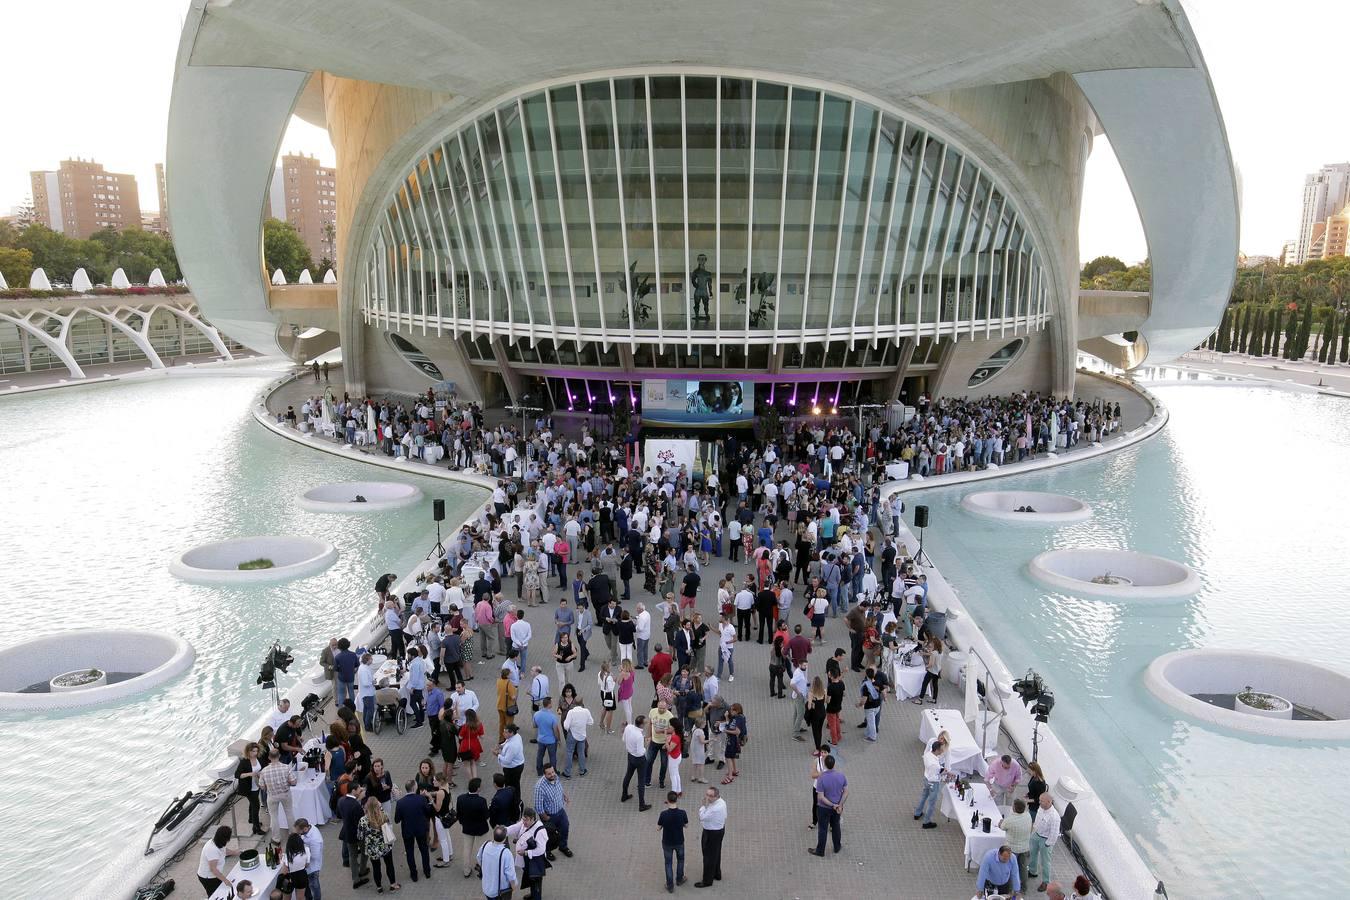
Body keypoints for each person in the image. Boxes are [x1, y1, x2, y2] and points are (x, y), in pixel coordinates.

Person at [357, 796, 400, 893]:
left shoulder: (363, 820)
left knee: (376, 868)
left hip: (372, 848)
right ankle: (393, 885)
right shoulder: (383, 815)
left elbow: (360, 836)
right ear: (378, 805)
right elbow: (389, 826)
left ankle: (379, 887)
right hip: (385, 845)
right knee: (389, 865)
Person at [394, 778, 434, 882]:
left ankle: (414, 875)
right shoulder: (421, 799)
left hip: (408, 831)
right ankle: (427, 871)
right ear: (414, 787)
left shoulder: (400, 803)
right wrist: (430, 802)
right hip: (421, 829)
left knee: (410, 852)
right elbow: (428, 812)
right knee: (424, 850)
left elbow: (397, 820)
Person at [808, 753, 846, 857]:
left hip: (823, 808)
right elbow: (846, 792)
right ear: (834, 764)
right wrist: (839, 805)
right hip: (837, 808)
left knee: (823, 829)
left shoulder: (821, 779)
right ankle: (837, 847)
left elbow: (820, 797)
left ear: (825, 765)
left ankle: (820, 851)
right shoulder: (841, 776)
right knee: (836, 826)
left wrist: (832, 805)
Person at [532, 763, 572, 858]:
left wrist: (564, 795)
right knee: (549, 835)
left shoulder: (555, 777)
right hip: (550, 816)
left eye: (553, 772)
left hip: (560, 811)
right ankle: (547, 851)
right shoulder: (539, 787)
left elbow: (559, 787)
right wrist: (546, 817)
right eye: (549, 774)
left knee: (565, 828)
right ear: (544, 775)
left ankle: (563, 847)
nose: (552, 774)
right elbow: (538, 806)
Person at [455, 776, 492, 878]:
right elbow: (486, 816)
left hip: (467, 828)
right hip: (481, 829)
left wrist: (462, 822)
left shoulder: (460, 798)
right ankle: (481, 867)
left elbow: (459, 814)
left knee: (467, 849)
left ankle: (466, 870)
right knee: (482, 849)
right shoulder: (481, 801)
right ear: (478, 788)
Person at [511, 807, 551, 900]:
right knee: (531, 879)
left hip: (537, 862)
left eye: (526, 820)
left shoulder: (540, 831)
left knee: (536, 882)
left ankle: (536, 897)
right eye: (523, 819)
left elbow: (540, 850)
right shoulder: (526, 824)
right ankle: (533, 895)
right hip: (529, 860)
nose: (524, 822)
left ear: (533, 819)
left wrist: (525, 852)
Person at [337, 783, 371, 888]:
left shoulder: (341, 800)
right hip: (357, 835)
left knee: (352, 856)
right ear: (353, 791)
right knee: (365, 852)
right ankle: (362, 870)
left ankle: (355, 879)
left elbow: (339, 815)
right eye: (359, 789)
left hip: (347, 833)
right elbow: (361, 823)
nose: (361, 790)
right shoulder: (355, 805)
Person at [259, 748, 297, 843]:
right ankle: (293, 834)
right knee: (289, 813)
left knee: (274, 817)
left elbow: (262, 787)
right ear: (279, 756)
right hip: (285, 794)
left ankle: (276, 838)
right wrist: (287, 782)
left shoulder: (264, 771)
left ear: (269, 757)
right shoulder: (286, 767)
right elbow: (293, 782)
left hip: (272, 796)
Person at [694, 786, 727, 888]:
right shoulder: (722, 802)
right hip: (719, 829)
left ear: (716, 796)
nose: (708, 798)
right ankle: (717, 873)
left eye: (711, 796)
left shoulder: (714, 808)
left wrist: (703, 806)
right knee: (716, 853)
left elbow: (702, 817)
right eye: (707, 794)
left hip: (711, 833)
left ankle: (707, 880)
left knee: (708, 857)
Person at [1028, 793, 1061, 892]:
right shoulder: (1041, 808)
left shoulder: (1055, 817)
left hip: (1045, 839)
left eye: (1041, 801)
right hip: (1036, 834)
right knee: (1032, 854)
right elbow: (1037, 820)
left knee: (1045, 862)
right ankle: (1033, 871)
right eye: (1040, 800)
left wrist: (1047, 844)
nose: (1039, 802)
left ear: (1049, 802)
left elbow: (1054, 833)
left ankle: (1046, 882)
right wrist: (1033, 832)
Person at [657, 790, 689, 893]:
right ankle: (679, 879)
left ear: (667, 800)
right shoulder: (682, 813)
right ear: (677, 800)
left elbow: (658, 828)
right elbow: (686, 825)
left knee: (668, 863)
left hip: (667, 842)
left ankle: (670, 885)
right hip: (679, 841)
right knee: (680, 860)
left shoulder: (663, 814)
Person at [477, 825, 519, 900]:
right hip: (499, 892)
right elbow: (511, 875)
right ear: (505, 838)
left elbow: (479, 858)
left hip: (486, 888)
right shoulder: (506, 853)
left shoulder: (485, 845)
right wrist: (514, 886)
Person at [1001, 798, 1034, 890]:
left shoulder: (1010, 819)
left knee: (1010, 869)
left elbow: (1002, 826)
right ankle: (1023, 887)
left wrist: (1000, 822)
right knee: (1023, 869)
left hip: (1012, 849)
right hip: (1024, 848)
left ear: (1014, 808)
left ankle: (1010, 889)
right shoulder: (1028, 816)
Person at [496, 725, 526, 825]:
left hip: (512, 769)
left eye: (505, 732)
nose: (503, 733)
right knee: (515, 785)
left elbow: (507, 761)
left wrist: (498, 755)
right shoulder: (516, 737)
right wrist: (502, 746)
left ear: (511, 733)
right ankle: (516, 800)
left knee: (511, 786)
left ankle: (514, 804)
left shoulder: (513, 745)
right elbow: (506, 742)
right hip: (518, 765)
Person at [234, 742, 265, 836]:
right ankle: (256, 828)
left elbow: (263, 767)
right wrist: (250, 774)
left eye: (256, 751)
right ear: (248, 752)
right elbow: (237, 775)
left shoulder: (259, 758)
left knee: (253, 803)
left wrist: (260, 773)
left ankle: (251, 819)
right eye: (253, 751)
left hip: (257, 784)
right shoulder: (244, 761)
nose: (255, 753)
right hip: (248, 788)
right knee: (256, 806)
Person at [913, 739, 946, 828]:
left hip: (926, 779)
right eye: (941, 749)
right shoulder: (934, 764)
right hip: (933, 783)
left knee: (923, 797)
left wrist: (941, 770)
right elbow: (934, 776)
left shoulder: (927, 755)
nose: (942, 750)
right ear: (937, 750)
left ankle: (917, 813)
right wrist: (943, 772)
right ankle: (926, 822)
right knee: (932, 803)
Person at [196, 826, 237, 897]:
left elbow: (224, 850)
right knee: (215, 896)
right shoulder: (212, 849)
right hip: (208, 878)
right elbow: (213, 869)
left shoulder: (218, 842)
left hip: (214, 876)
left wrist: (235, 852)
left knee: (220, 892)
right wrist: (225, 880)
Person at [622, 714, 651, 811]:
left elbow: (623, 739)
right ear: (642, 725)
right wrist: (646, 745)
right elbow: (640, 752)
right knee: (641, 781)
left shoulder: (629, 727)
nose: (647, 724)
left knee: (628, 775)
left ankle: (624, 795)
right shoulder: (639, 736)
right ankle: (641, 805)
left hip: (630, 756)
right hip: (639, 759)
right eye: (646, 723)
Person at [561, 696, 593, 777]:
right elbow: (591, 722)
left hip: (572, 735)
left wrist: (570, 727)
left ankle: (567, 772)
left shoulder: (571, 712)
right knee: (581, 752)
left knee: (569, 752)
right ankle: (582, 771)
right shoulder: (586, 711)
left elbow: (566, 726)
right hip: (582, 735)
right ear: (582, 702)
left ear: (574, 702)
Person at [533, 695, 562, 775]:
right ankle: (553, 771)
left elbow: (535, 726)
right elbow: (555, 730)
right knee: (552, 757)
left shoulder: (536, 714)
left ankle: (539, 771)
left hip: (540, 739)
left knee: (540, 756)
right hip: (551, 741)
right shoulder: (552, 717)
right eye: (551, 703)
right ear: (549, 704)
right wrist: (558, 739)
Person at [278, 831, 310, 899]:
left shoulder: (288, 855)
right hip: (302, 875)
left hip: (290, 877)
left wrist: (281, 860)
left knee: (286, 898)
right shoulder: (306, 850)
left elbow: (285, 871)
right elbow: (307, 865)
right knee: (300, 898)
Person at [722, 703, 746, 784]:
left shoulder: (739, 719)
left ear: (737, 711)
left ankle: (730, 776)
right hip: (731, 739)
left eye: (732, 710)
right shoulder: (735, 717)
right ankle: (734, 771)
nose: (730, 711)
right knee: (732, 756)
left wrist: (726, 731)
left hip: (733, 740)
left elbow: (737, 732)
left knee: (728, 756)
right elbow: (730, 724)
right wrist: (726, 717)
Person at [496, 666, 518, 744]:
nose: (511, 674)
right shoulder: (509, 683)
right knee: (509, 724)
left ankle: (501, 738)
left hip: (499, 705)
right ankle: (508, 739)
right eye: (510, 673)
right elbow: (513, 697)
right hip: (508, 707)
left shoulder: (498, 681)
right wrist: (515, 691)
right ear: (507, 675)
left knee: (501, 723)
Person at [789, 660, 810, 741]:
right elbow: (792, 684)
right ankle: (795, 734)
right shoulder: (798, 673)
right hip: (799, 697)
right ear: (800, 665)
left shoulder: (801, 671)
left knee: (796, 713)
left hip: (799, 696)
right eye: (804, 665)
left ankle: (796, 727)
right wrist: (798, 692)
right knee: (800, 714)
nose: (806, 667)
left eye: (806, 665)